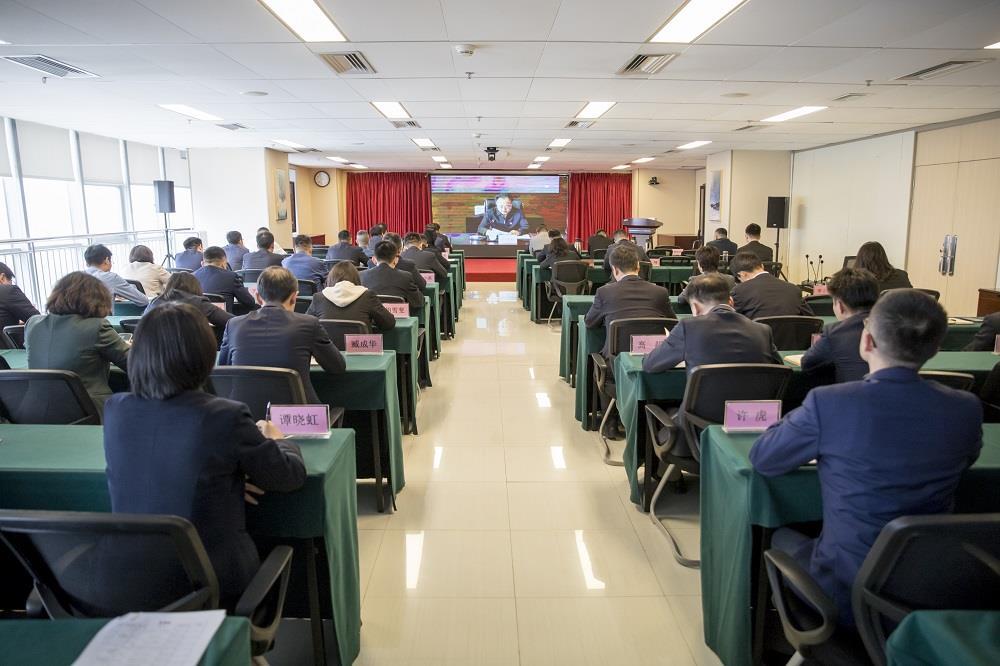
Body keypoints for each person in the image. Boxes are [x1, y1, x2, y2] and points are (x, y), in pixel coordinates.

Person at [749, 289, 983, 627]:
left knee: (779, 536)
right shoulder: (965, 407)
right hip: (934, 585)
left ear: (867, 341)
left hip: (847, 588)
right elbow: (967, 459)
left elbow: (764, 458)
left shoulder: (830, 402)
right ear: (935, 348)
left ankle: (767, 635)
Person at [103, 302, 306, 606]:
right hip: (212, 580)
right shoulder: (225, 415)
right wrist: (280, 440)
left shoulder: (116, 409)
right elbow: (288, 476)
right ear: (204, 354)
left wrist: (226, 477)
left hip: (133, 580)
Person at [219, 267, 345, 404]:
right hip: (298, 414)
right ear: (294, 297)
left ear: (258, 297)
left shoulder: (233, 325)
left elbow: (224, 368)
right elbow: (337, 366)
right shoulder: (309, 324)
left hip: (245, 413)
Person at [24, 271, 129, 413]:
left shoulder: (33, 324)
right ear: (98, 299)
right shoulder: (96, 326)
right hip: (87, 410)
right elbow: (135, 364)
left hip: (34, 411)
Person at [643, 273, 781, 376]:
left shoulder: (688, 327)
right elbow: (779, 370)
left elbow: (650, 364)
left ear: (695, 307)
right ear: (731, 301)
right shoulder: (763, 330)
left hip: (703, 408)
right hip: (753, 407)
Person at [585, 243, 674, 361]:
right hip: (654, 359)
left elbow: (589, 322)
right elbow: (673, 324)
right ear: (638, 266)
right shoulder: (660, 292)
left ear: (614, 270)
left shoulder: (604, 292)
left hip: (616, 361)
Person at [801, 268, 879, 383]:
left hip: (851, 392)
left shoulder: (834, 333)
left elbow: (807, 364)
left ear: (840, 306)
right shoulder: (896, 327)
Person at [307, 261, 396, 331]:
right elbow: (389, 323)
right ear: (356, 278)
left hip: (326, 348)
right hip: (360, 348)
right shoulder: (367, 296)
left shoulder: (318, 298)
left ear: (330, 279)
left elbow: (307, 326)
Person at [731, 252, 813, 319]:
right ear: (762, 266)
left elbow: (730, 322)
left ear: (742, 274)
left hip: (757, 334)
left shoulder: (739, 291)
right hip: (790, 334)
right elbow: (811, 320)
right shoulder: (794, 289)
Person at [144, 271, 234, 331]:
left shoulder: (154, 303)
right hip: (190, 351)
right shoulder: (199, 303)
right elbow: (233, 321)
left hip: (154, 351)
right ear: (195, 286)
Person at [360, 240, 424, 316]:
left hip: (371, 319)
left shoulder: (362, 275)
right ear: (396, 260)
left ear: (374, 259)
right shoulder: (406, 277)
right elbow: (418, 301)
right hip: (399, 319)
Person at [194, 246, 258, 313]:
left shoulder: (192, 276)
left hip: (197, 318)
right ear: (224, 263)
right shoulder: (231, 277)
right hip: (223, 319)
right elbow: (249, 302)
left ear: (203, 262)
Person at [83, 244, 149, 307]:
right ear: (107, 260)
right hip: (103, 315)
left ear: (87, 263)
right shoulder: (111, 278)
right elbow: (143, 301)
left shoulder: (78, 278)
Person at [0, 262, 40, 331]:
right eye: (10, 281)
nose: (11, 284)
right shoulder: (7, 291)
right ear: (2, 278)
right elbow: (36, 319)